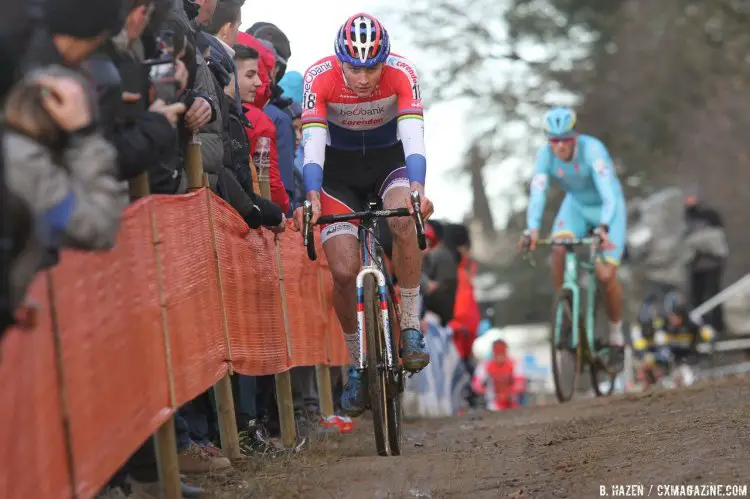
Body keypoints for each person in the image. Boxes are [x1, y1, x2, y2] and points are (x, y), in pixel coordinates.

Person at [290, 13, 433, 416]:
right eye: (354, 67)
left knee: (406, 218)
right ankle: (356, 364)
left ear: (385, 60)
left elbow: (413, 137)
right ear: (339, 61)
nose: (365, 77)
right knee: (342, 271)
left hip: (390, 164)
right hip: (336, 174)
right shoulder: (319, 77)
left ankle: (408, 327)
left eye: (373, 66)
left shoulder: (402, 72)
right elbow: (313, 143)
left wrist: (418, 188)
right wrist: (313, 194)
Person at [521, 107, 627, 362]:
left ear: (575, 136)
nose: (559, 147)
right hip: (576, 208)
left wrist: (604, 226)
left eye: (565, 140)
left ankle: (615, 334)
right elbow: (538, 192)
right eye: (554, 141)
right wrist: (532, 228)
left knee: (604, 274)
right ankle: (565, 312)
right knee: (557, 247)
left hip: (607, 208)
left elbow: (608, 193)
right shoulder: (545, 156)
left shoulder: (593, 150)